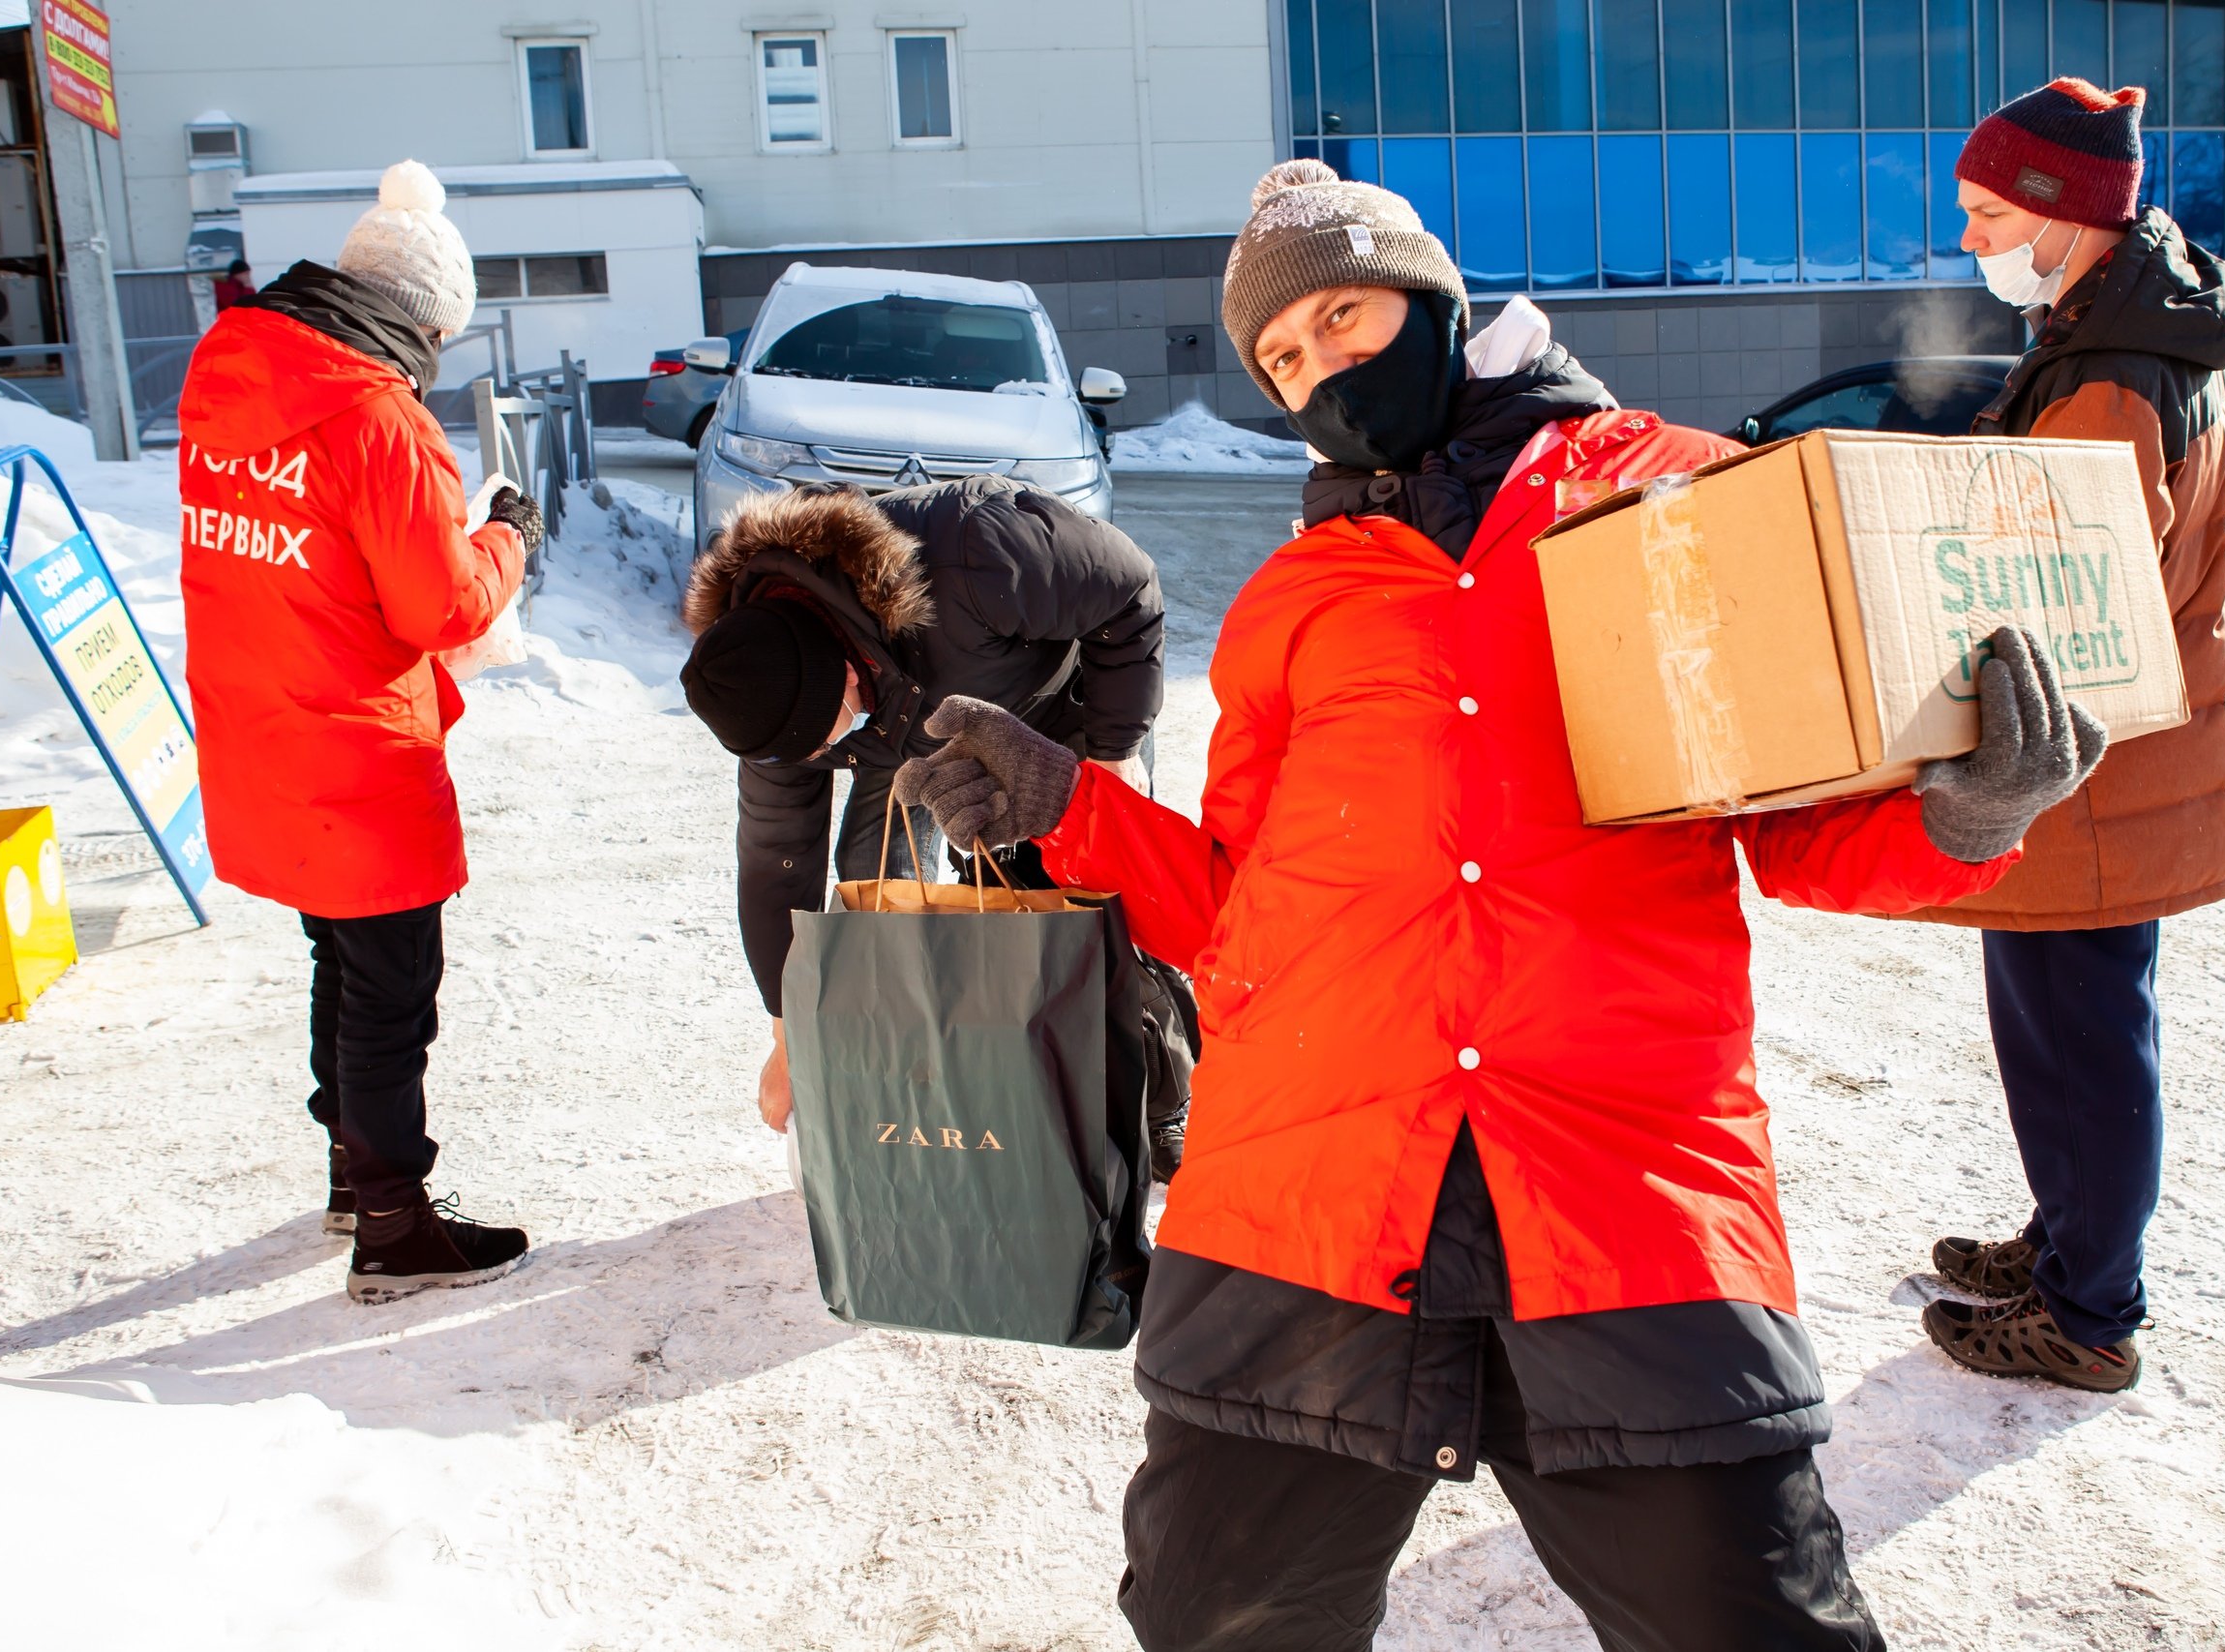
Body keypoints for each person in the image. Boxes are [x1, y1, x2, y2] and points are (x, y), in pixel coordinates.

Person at [894, 159, 2107, 1652]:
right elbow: (1235, 906)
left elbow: (1809, 835)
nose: (1322, 369)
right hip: (1310, 1187)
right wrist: (1067, 806)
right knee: (1217, 1614)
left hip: (1620, 1180)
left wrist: (1968, 811)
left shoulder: (1670, 492)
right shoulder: (1297, 595)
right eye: (1283, 358)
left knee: (1758, 1619)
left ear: (1433, 299)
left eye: (1343, 317)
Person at [1909, 79, 2225, 1392]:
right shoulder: (2126, 333)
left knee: (2084, 1037)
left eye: (1990, 211)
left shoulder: (2115, 376)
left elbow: (2059, 592)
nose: (1970, 239)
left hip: (2097, 771)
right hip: (2108, 763)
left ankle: (2089, 1311)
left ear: (2069, 216)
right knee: (2061, 1027)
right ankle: (2071, 1240)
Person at [178, 161, 545, 1304]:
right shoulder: (378, 417)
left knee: (337, 956)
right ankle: (392, 1224)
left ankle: (353, 1169)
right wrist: (507, 536)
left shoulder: (228, 376)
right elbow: (440, 605)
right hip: (354, 740)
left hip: (260, 722)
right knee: (391, 984)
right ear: (424, 317)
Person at [677, 478, 1175, 1159]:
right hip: (916, 721)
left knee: (1091, 908)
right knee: (880, 889)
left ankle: (1155, 1104)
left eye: (823, 742)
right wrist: (786, 1031)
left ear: (846, 677)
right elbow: (775, 861)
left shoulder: (974, 556)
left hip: (1067, 713)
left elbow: (1131, 591)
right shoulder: (765, 688)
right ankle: (937, 1093)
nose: (818, 760)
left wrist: (1116, 753)